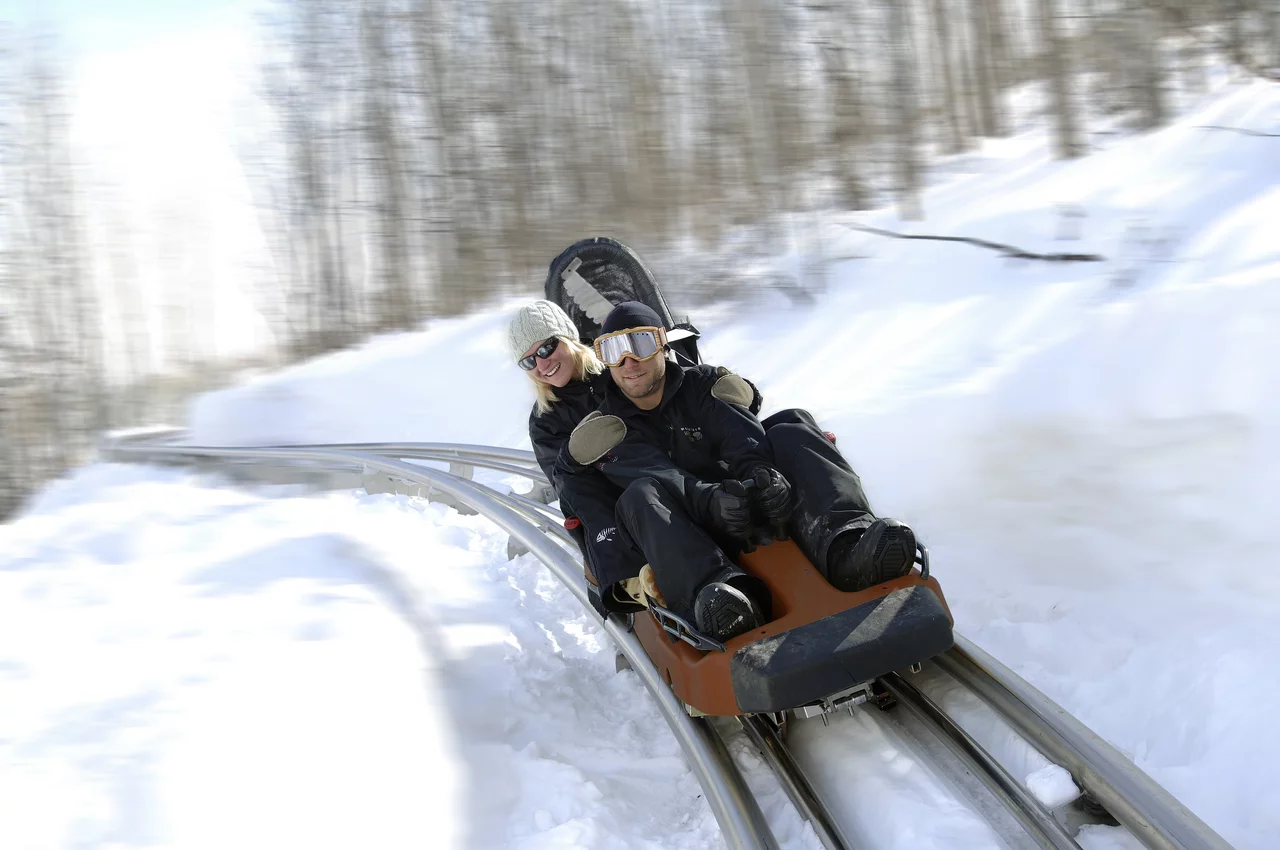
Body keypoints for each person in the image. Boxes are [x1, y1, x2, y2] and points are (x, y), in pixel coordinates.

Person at [560, 301, 918, 637]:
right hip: (688, 531)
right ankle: (720, 601)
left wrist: (765, 477)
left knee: (792, 425)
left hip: (749, 505)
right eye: (612, 351)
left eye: (640, 343)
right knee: (638, 496)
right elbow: (659, 475)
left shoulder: (702, 385)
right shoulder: (608, 427)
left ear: (662, 345)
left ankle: (848, 545)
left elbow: (741, 435)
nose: (627, 361)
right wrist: (711, 502)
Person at [510, 299, 763, 628]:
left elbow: (681, 395)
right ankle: (637, 583)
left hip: (671, 483)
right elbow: (572, 488)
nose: (541, 365)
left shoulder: (618, 367)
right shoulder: (545, 421)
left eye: (546, 349)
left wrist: (743, 399)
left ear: (568, 338)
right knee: (598, 485)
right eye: (528, 360)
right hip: (624, 509)